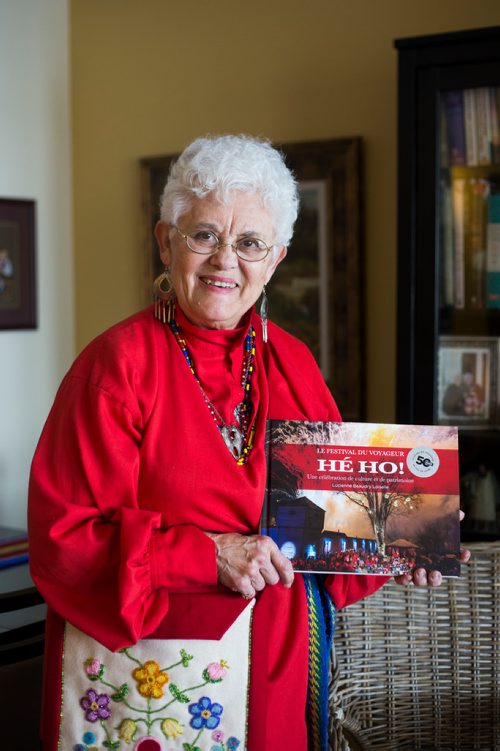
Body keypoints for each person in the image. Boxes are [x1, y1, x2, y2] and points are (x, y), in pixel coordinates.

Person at [28, 134, 468, 751]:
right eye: (204, 234)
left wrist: (405, 542)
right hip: (154, 677)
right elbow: (62, 541)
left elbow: (331, 536)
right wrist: (203, 554)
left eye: (249, 242)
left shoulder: (292, 362)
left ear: (277, 257)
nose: (224, 260)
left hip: (278, 671)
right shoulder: (115, 366)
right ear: (166, 240)